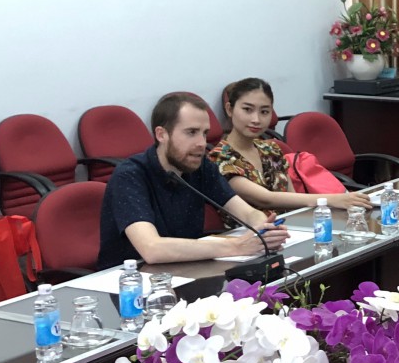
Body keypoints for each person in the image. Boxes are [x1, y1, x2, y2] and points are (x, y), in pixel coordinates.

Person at [97, 91, 288, 270]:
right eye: (191, 132)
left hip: (186, 268)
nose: (202, 143)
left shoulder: (200, 166)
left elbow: (246, 212)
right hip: (131, 280)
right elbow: (152, 248)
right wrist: (237, 246)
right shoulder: (129, 176)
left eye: (204, 133)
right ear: (161, 134)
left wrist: (263, 230)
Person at [209, 78, 373, 213]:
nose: (256, 119)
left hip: (291, 229)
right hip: (251, 236)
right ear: (229, 109)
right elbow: (266, 199)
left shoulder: (271, 150)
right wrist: (331, 199)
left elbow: (292, 198)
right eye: (247, 110)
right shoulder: (220, 158)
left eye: (264, 112)